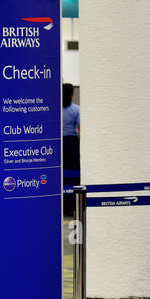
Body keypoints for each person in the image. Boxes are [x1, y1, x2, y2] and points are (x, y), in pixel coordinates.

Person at [62, 83, 80, 218]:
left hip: (58, 144)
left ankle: (61, 205)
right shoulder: (76, 109)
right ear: (72, 94)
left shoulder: (54, 109)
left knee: (60, 175)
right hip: (72, 144)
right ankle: (71, 206)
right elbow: (81, 127)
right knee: (73, 176)